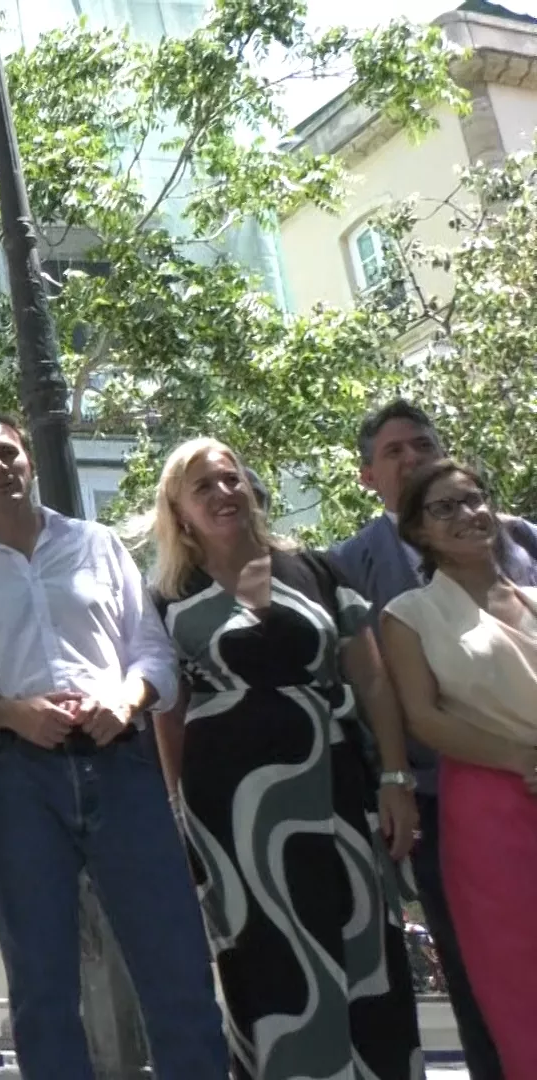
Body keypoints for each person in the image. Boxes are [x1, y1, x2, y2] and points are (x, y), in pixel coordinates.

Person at [0, 412, 227, 1080]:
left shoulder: (97, 545)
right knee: (41, 979)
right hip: (15, 777)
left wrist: (125, 700)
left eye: (8, 453)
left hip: (121, 763)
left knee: (173, 957)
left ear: (28, 461)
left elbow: (151, 649)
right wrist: (13, 714)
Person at [150, 436, 421, 1079]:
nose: (223, 493)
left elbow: (375, 681)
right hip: (231, 813)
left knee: (363, 945)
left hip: (336, 789)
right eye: (203, 487)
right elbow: (170, 712)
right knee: (264, 958)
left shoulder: (319, 571)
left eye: (231, 478)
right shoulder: (166, 597)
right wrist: (178, 813)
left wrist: (395, 776)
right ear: (179, 511)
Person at [333, 400, 534, 1080]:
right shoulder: (351, 566)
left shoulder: (523, 542)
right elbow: (376, 698)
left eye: (422, 443)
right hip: (451, 802)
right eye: (394, 451)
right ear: (369, 475)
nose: (412, 457)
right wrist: (391, 788)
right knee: (492, 974)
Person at [379, 460, 537, 1079]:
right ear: (418, 530)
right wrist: (523, 760)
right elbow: (423, 718)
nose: (467, 515)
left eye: (473, 499)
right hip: (489, 806)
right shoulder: (409, 614)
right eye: (444, 508)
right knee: (518, 980)